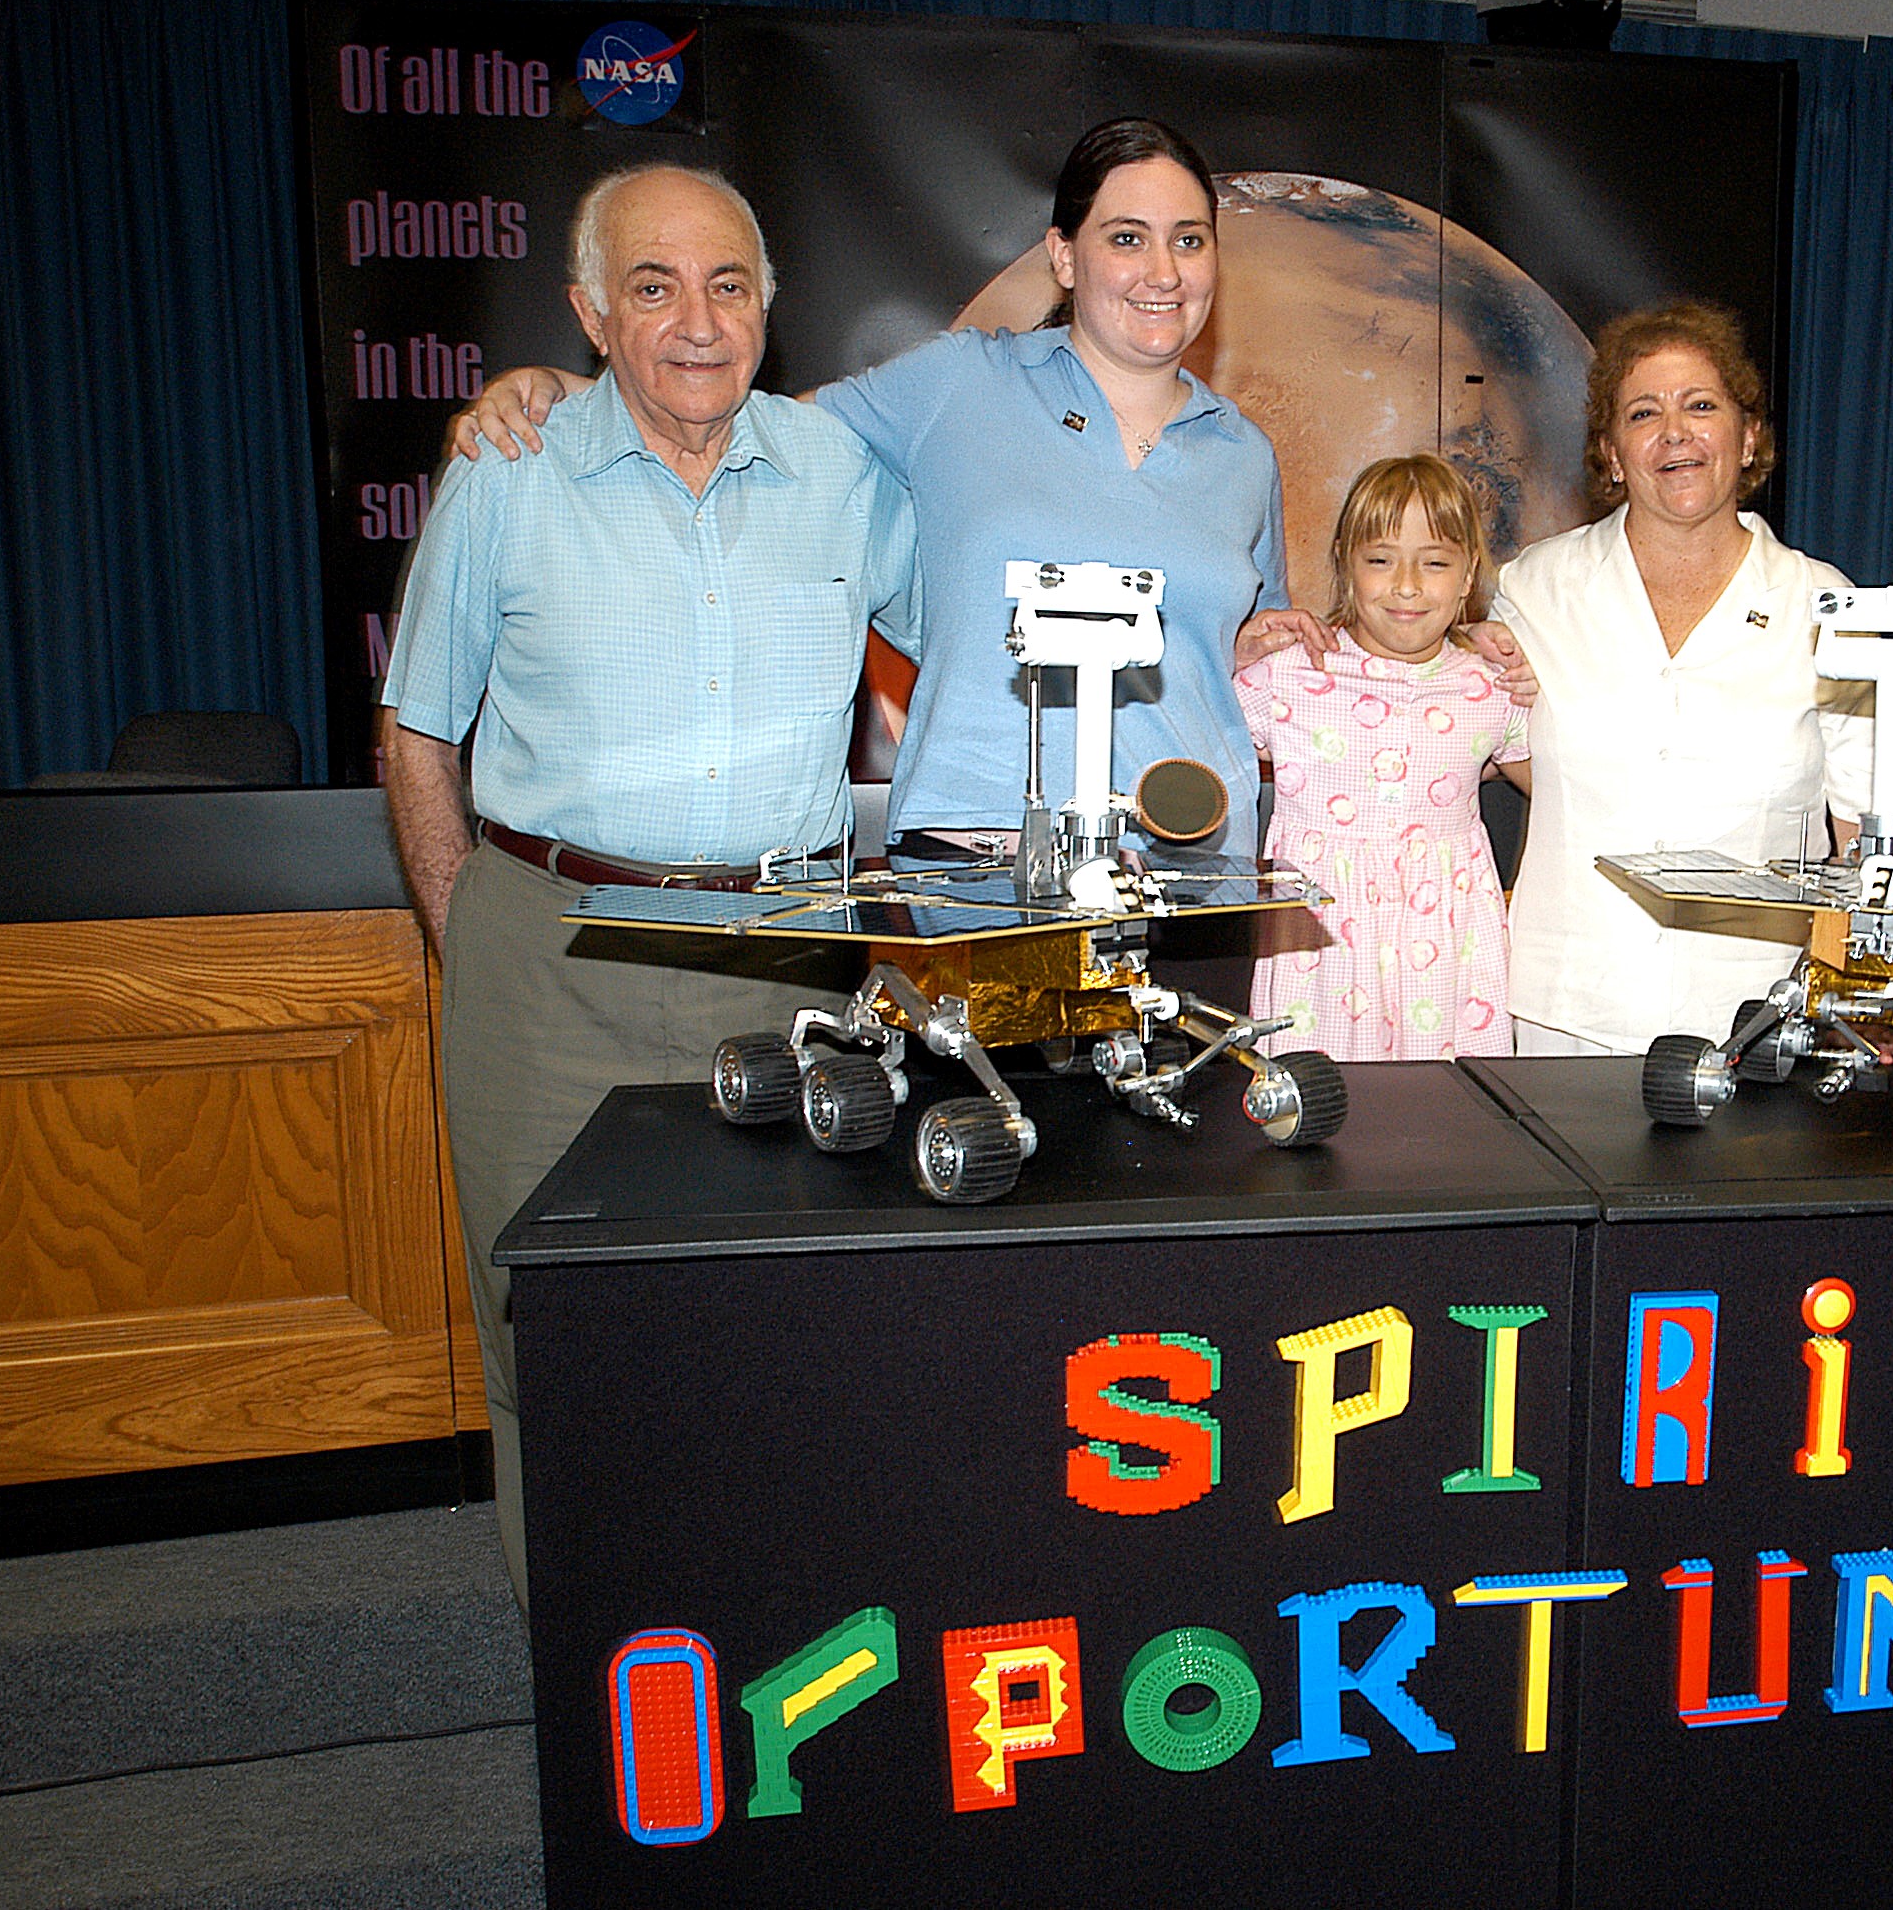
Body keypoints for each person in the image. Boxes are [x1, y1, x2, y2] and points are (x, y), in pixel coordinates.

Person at [380, 162, 918, 1607]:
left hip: (787, 959)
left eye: (729, 283)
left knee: (785, 1329)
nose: (697, 321)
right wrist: (475, 941)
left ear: (770, 310)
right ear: (590, 313)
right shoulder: (508, 468)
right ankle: (588, 1676)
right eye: (654, 286)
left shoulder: (842, 475)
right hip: (548, 958)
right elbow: (418, 728)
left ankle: (772, 1648)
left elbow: (1009, 620)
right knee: (545, 1333)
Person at [455, 119, 1320, 876]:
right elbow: (739, 418)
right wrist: (570, 389)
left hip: (1193, 863)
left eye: (1190, 239)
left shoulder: (1242, 453)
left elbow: (1255, 659)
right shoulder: (958, 381)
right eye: (1126, 238)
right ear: (1063, 254)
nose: (1162, 271)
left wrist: (1249, 644)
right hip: (979, 861)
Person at [1491, 299, 1893, 1058]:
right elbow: (1478, 733)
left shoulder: (1826, 608)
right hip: (1566, 1015)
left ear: (1748, 437)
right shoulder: (1535, 589)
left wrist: (1864, 990)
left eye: (1702, 406)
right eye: (1643, 412)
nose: (1675, 432)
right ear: (1612, 453)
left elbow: (1865, 827)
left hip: (1758, 1020)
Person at [1237, 455, 1527, 1059]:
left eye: (1436, 562)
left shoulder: (1490, 687)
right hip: (1318, 954)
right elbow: (1190, 752)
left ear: (1470, 571)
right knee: (1312, 1118)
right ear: (1345, 560)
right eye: (1380, 559)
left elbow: (1571, 788)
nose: (1406, 586)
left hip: (1448, 954)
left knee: (1445, 1127)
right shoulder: (1286, 676)